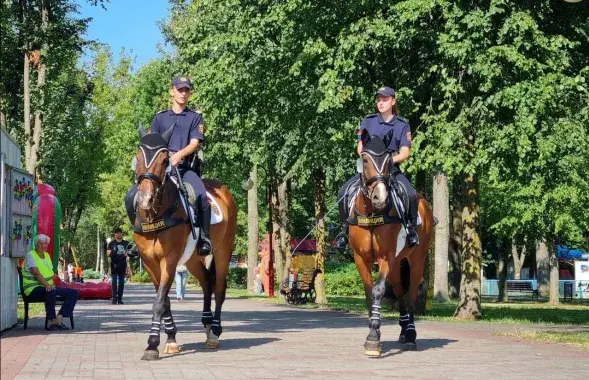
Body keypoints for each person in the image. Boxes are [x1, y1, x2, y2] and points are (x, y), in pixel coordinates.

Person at [125, 75, 212, 256]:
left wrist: (179, 154)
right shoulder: (160, 117)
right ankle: (138, 232)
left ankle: (204, 238)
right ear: (172, 91)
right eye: (180, 89)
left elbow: (195, 142)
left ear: (189, 93)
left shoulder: (195, 117)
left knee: (202, 197)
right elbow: (151, 142)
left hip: (185, 168)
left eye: (186, 90)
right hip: (161, 169)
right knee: (131, 196)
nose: (183, 93)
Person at [334, 86, 420, 250]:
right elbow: (360, 148)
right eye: (378, 100)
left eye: (385, 99)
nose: (380, 103)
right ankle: (344, 231)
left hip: (390, 170)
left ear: (393, 101)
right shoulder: (368, 121)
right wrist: (372, 161)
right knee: (343, 192)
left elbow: (405, 152)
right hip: (370, 172)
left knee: (410, 194)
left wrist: (387, 161)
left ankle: (411, 229)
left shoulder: (402, 125)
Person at [22, 234, 79, 331]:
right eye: (40, 243)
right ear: (36, 244)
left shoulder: (47, 255)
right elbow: (36, 273)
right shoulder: (31, 255)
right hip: (33, 289)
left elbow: (51, 274)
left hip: (47, 287)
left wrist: (60, 284)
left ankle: (59, 319)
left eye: (45, 244)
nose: (43, 246)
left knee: (73, 292)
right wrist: (47, 285)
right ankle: (50, 321)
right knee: (51, 292)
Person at [107, 228, 129, 304]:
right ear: (115, 234)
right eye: (117, 233)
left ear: (122, 234)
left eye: (120, 233)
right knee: (114, 282)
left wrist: (126, 254)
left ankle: (120, 299)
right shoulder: (111, 243)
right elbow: (108, 253)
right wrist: (114, 253)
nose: (119, 234)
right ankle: (114, 298)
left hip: (122, 264)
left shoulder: (126, 243)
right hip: (114, 264)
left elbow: (129, 252)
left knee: (122, 282)